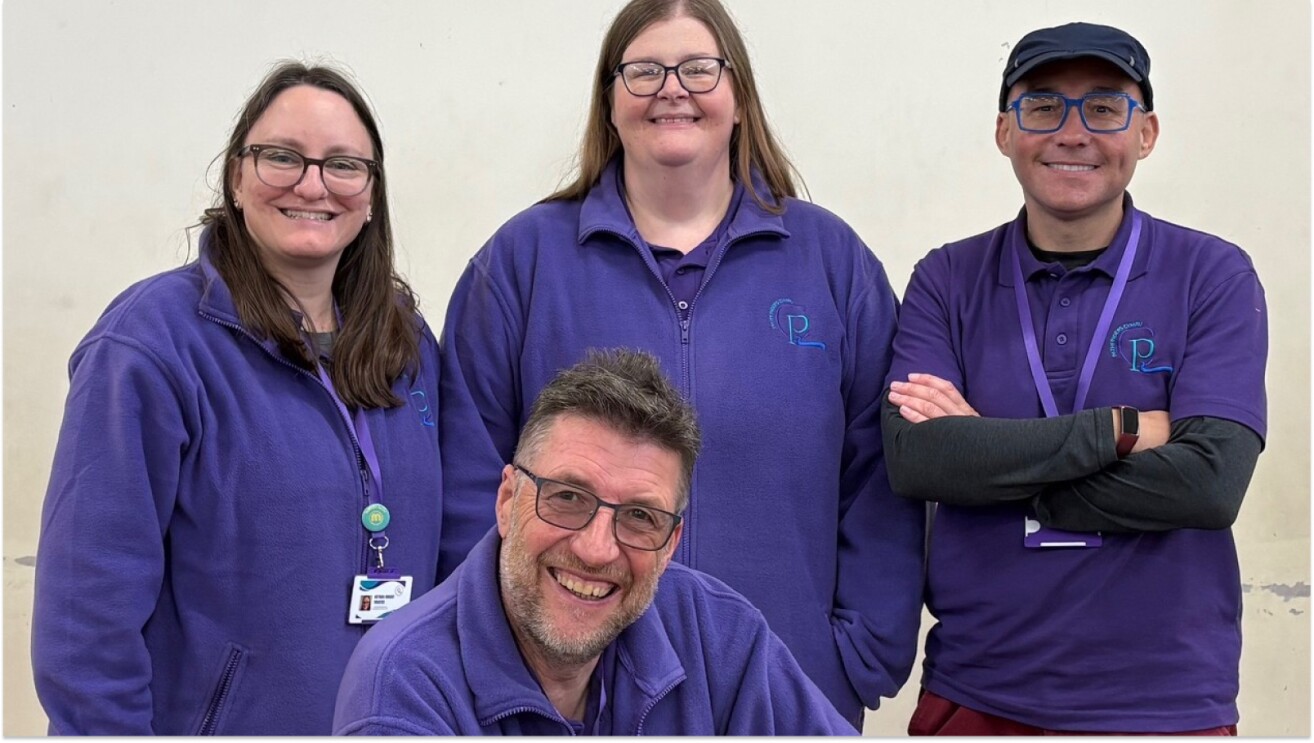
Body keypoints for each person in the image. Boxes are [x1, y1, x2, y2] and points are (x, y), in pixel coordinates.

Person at [436, 0, 924, 725]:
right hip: (572, 696)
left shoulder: (833, 263)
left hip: (788, 691)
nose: (672, 87)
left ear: (738, 96)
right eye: (644, 70)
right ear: (609, 101)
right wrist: (503, 661)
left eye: (699, 68)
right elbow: (475, 479)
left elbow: (881, 474)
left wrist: (853, 655)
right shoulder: (521, 262)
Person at [31, 61, 443, 735]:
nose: (313, 184)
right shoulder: (148, 345)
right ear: (236, 176)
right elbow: (88, 613)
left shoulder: (410, 343)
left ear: (371, 194)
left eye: (344, 165)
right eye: (283, 157)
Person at [882, 22, 1267, 735]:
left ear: (1145, 132)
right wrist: (1117, 430)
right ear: (1005, 131)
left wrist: (990, 458)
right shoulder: (947, 279)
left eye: (1103, 107)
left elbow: (1211, 484)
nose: (1072, 131)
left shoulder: (1211, 275)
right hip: (978, 688)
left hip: (1168, 701)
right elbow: (919, 458)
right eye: (1043, 106)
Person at [333, 349, 856, 735]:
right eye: (567, 498)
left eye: (639, 516)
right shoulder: (403, 684)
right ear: (507, 500)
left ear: (671, 543)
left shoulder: (718, 633)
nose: (596, 549)